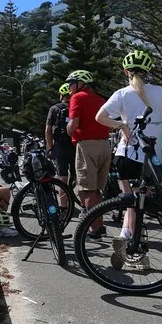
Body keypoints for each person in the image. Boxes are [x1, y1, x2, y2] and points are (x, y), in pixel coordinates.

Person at [95, 50, 162, 269]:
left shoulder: (122, 94)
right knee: (140, 205)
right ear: (148, 71)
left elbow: (100, 117)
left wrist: (122, 125)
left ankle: (126, 238)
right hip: (150, 160)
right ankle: (136, 251)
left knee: (131, 204)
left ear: (126, 71)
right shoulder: (161, 92)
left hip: (125, 156)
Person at [65, 70, 110, 238]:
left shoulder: (77, 97)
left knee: (87, 189)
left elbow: (73, 125)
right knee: (97, 190)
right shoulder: (100, 99)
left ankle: (94, 229)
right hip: (105, 145)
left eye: (71, 83)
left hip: (87, 145)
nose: (69, 87)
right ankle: (100, 225)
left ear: (80, 83)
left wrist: (67, 129)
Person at [45, 83, 76, 208]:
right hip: (75, 146)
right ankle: (83, 206)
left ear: (61, 95)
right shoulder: (76, 107)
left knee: (62, 178)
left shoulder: (54, 108)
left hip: (60, 147)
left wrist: (50, 147)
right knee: (77, 177)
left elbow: (48, 130)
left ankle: (64, 207)